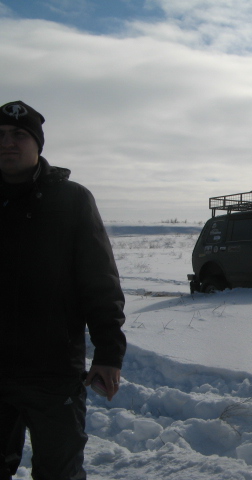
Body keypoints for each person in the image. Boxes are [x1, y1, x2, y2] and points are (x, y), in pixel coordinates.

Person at [0, 101, 127, 479]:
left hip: (53, 373)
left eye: (18, 135)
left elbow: (99, 281)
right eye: (0, 135)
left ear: (37, 144)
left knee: (59, 473)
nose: (7, 143)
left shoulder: (71, 200)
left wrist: (109, 352)